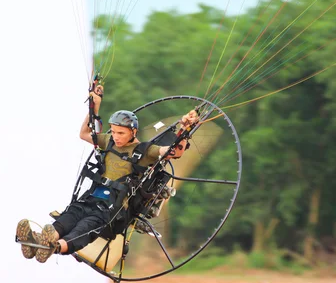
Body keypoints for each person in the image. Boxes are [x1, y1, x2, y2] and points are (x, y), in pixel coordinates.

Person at [16, 84, 199, 263]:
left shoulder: (145, 151)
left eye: (121, 133)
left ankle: (52, 247)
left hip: (112, 210)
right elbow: (84, 134)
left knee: (83, 229)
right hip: (90, 199)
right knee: (68, 217)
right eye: (113, 131)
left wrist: (185, 130)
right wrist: (95, 105)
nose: (116, 136)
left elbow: (174, 152)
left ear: (133, 131)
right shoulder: (109, 142)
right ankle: (38, 242)